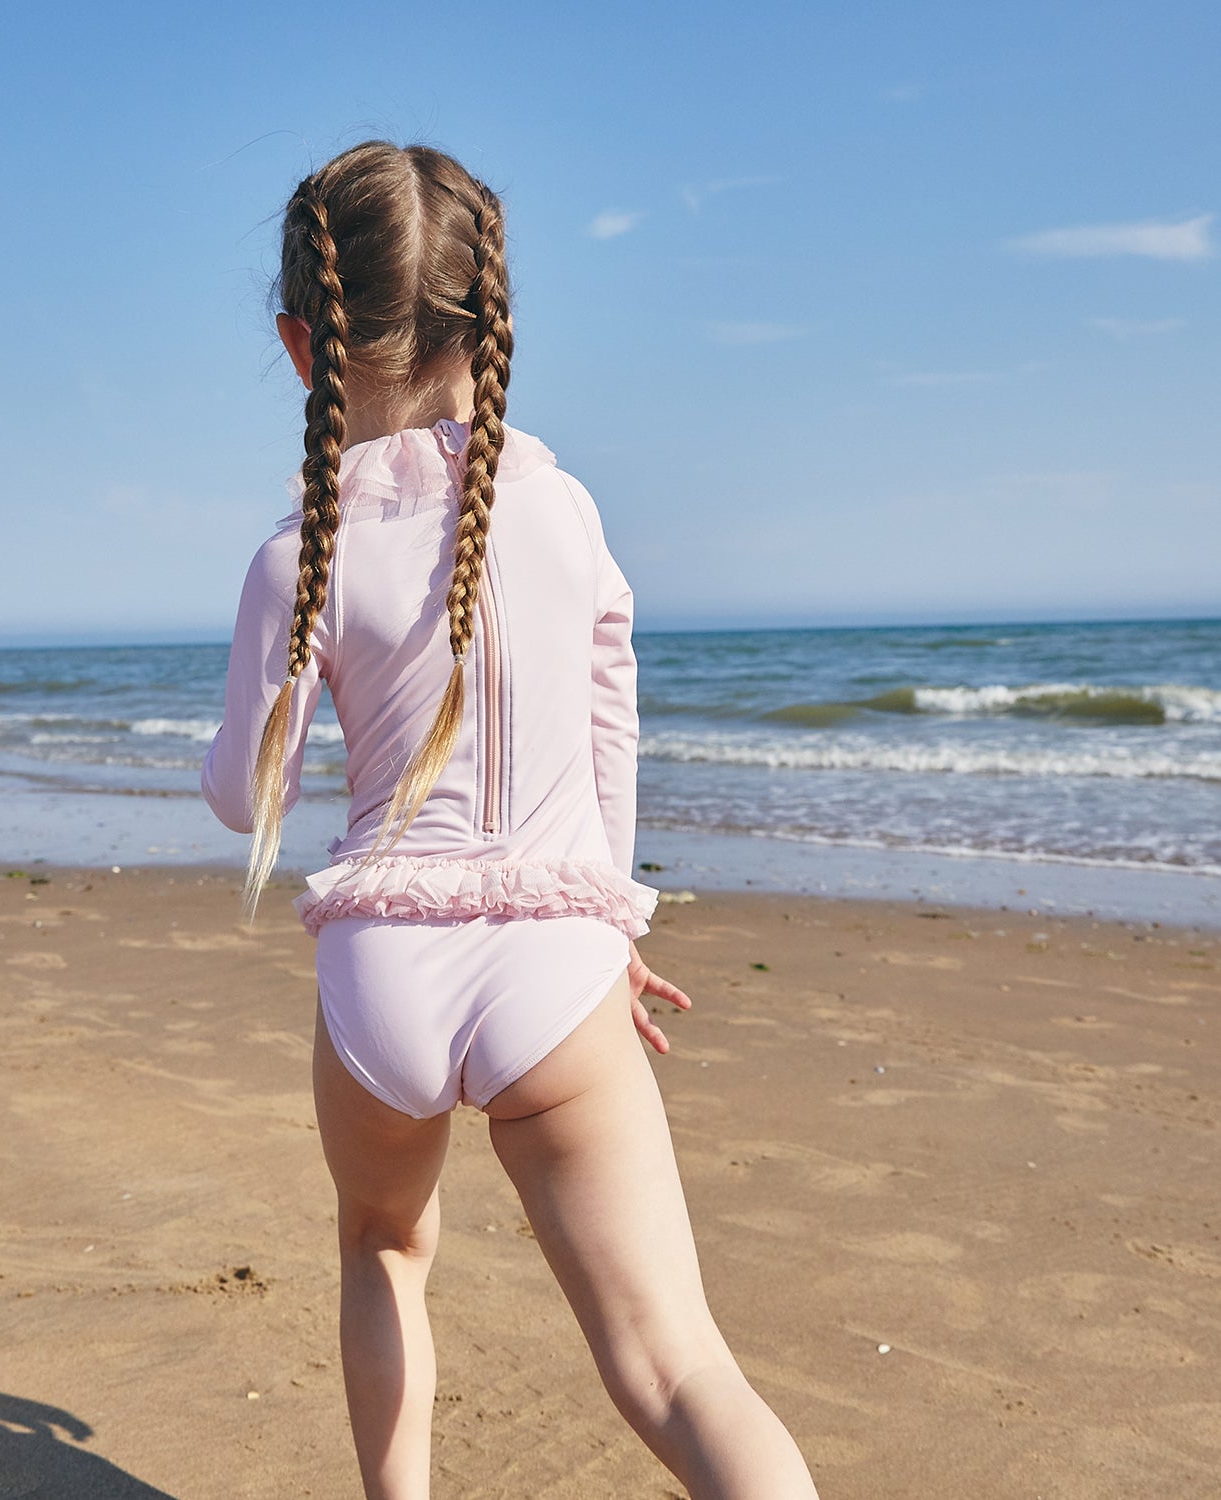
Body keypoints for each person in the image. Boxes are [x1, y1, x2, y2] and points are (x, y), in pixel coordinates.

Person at [202, 141, 818, 1500]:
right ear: (494, 324)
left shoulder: (295, 553)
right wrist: (609, 919)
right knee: (675, 1365)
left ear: (305, 345)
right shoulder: (566, 512)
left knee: (382, 1250)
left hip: (383, 977)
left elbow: (243, 792)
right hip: (556, 966)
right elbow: (612, 731)